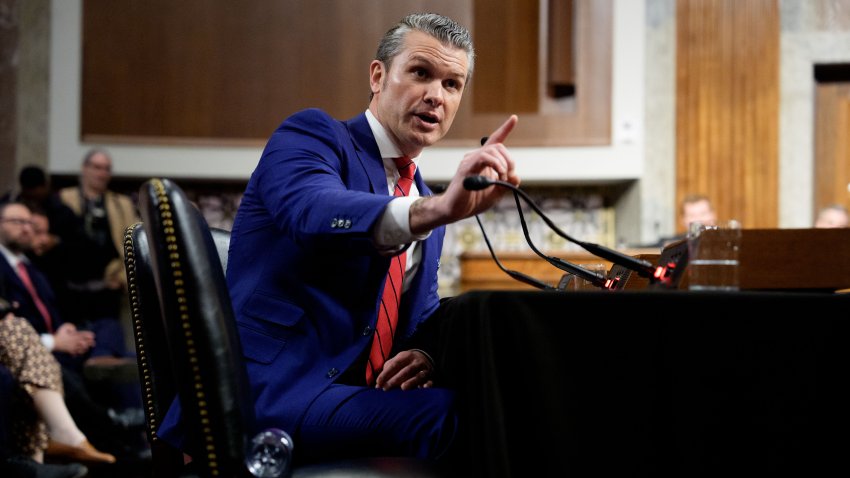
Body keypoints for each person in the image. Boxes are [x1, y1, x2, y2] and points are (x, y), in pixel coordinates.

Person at [158, 12, 520, 469]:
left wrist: (424, 352)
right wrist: (433, 211)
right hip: (267, 390)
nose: (435, 95)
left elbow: (419, 313)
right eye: (421, 73)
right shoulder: (313, 135)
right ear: (378, 76)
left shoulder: (425, 198)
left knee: (499, 393)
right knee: (465, 415)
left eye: (452, 84)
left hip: (348, 395)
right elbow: (312, 211)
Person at [0, 201, 147, 462]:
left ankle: (100, 361)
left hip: (55, 337)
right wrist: (54, 341)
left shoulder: (33, 267)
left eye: (29, 223)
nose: (26, 228)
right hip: (28, 345)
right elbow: (8, 321)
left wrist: (65, 331)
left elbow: (58, 304)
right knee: (62, 368)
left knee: (112, 332)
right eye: (17, 222)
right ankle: (121, 435)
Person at [0, 296, 116, 469]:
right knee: (18, 332)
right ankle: (67, 436)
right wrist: (54, 342)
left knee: (26, 365)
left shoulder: (34, 273)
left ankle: (39, 459)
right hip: (23, 341)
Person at [57, 148, 139, 328]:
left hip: (108, 286)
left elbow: (133, 243)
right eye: (97, 167)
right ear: (84, 168)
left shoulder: (121, 203)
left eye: (107, 169)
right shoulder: (64, 197)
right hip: (70, 287)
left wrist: (122, 278)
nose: (102, 173)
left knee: (108, 338)